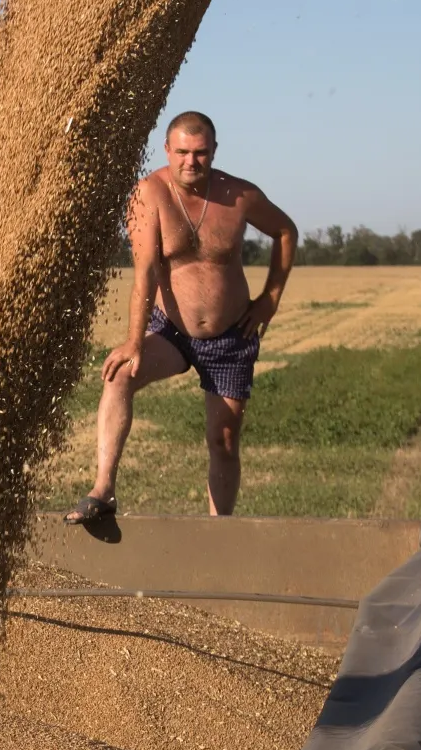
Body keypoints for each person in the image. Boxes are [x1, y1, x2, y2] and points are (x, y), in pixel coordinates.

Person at [67, 111, 297, 521]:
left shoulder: (239, 196)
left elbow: (285, 231)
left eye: (201, 153)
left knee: (223, 441)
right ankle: (103, 490)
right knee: (119, 376)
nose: (192, 161)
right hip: (171, 331)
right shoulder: (148, 195)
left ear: (214, 152)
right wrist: (135, 341)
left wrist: (271, 297)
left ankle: (219, 531)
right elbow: (146, 273)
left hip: (231, 334)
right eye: (183, 152)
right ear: (167, 151)